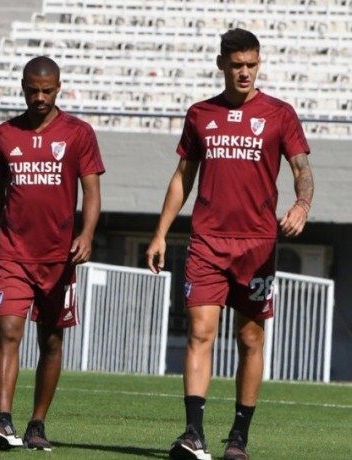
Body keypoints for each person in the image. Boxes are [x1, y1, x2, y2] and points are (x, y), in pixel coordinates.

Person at [146, 29, 313, 460]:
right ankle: (193, 434)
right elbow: (183, 177)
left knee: (250, 339)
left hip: (257, 246)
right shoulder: (200, 114)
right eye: (237, 64)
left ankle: (238, 437)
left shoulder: (279, 113)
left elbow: (301, 168)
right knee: (200, 333)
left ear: (259, 64)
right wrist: (161, 232)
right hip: (207, 241)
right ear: (221, 64)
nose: (244, 72)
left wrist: (302, 204)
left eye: (251, 64)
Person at [0, 56, 104, 451]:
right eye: (33, 90)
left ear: (59, 88)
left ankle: (37, 424)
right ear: (22, 87)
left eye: (47, 90)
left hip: (58, 258)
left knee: (50, 341)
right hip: (12, 254)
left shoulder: (79, 133)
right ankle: (3, 420)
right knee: (8, 332)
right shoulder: (3, 135)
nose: (40, 97)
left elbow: (92, 192)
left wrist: (86, 234)